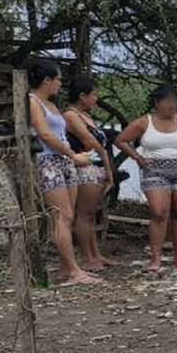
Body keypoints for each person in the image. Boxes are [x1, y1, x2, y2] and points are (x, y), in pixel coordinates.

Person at [114, 84, 177, 271]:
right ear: (157, 103)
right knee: (158, 212)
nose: (171, 106)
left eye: (174, 102)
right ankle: (156, 257)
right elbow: (121, 140)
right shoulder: (145, 122)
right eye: (167, 102)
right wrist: (137, 157)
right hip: (154, 169)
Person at [26, 59, 101, 285]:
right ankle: (74, 270)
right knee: (61, 215)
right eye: (58, 79)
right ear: (46, 80)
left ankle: (65, 267)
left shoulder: (50, 104)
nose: (60, 84)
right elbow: (45, 134)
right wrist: (72, 154)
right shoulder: (32, 102)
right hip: (48, 161)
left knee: (68, 215)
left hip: (65, 160)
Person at [62, 78, 118, 270]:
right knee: (84, 214)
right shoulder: (71, 116)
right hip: (85, 168)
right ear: (82, 96)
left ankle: (96, 254)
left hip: (96, 168)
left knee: (91, 213)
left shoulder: (85, 116)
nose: (96, 99)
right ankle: (88, 257)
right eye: (93, 95)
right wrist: (107, 164)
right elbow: (91, 142)